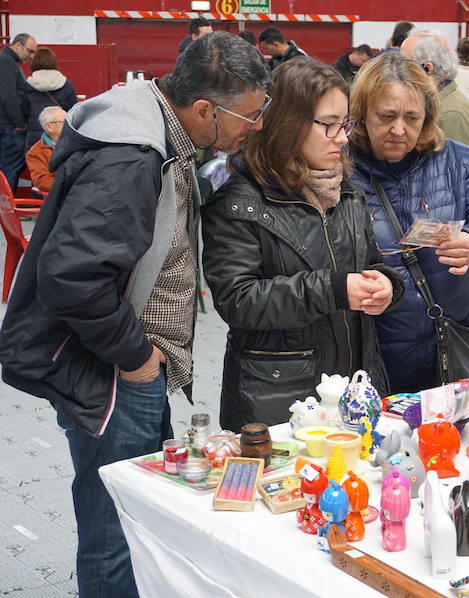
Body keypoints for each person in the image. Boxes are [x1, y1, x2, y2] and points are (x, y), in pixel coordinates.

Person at [0, 32, 270, 597]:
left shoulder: (158, 130)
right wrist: (138, 357)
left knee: (134, 513)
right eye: (249, 116)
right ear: (205, 110)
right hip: (114, 372)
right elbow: (72, 278)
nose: (256, 125)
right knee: (116, 529)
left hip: (123, 364)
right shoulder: (129, 157)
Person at [202, 60, 403, 431]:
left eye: (345, 124)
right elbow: (238, 300)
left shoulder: (346, 192)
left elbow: (372, 262)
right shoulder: (240, 203)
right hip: (280, 399)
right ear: (287, 123)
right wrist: (332, 289)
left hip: (353, 388)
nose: (342, 138)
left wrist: (387, 284)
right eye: (329, 124)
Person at [348, 51, 469, 392]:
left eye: (412, 117)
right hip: (374, 350)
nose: (399, 129)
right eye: (387, 116)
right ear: (362, 113)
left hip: (454, 339)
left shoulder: (458, 161)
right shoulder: (339, 170)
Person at [401, 30, 469, 185]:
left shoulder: (450, 114)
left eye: (405, 65)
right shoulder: (442, 106)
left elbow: (455, 187)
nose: (399, 73)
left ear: (428, 69)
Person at [0, 33, 36, 191]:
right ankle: (5, 206)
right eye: (30, 51)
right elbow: (8, 96)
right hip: (9, 126)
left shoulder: (7, 61)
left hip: (6, 125)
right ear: (17, 45)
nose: (31, 56)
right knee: (10, 170)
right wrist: (20, 123)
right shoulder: (6, 61)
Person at [22, 47, 77, 148]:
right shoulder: (66, 84)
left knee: (36, 157)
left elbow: (24, 111)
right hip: (59, 134)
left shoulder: (28, 85)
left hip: (35, 134)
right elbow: (73, 111)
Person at [25, 105, 64, 193]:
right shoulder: (35, 152)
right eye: (63, 122)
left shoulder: (77, 143)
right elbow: (43, 182)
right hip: (62, 196)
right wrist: (71, 186)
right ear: (49, 127)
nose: (69, 125)